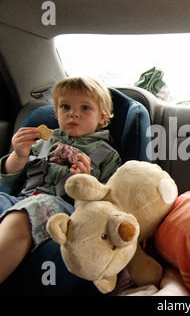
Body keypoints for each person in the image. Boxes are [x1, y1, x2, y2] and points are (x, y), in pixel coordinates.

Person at [0, 76, 121, 283]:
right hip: (21, 198)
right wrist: (18, 155)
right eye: (65, 107)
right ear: (56, 113)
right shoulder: (42, 143)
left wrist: (87, 181)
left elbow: (108, 204)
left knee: (28, 212)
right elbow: (7, 183)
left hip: (62, 208)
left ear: (102, 117)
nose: (73, 113)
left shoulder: (107, 155)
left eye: (85, 108)